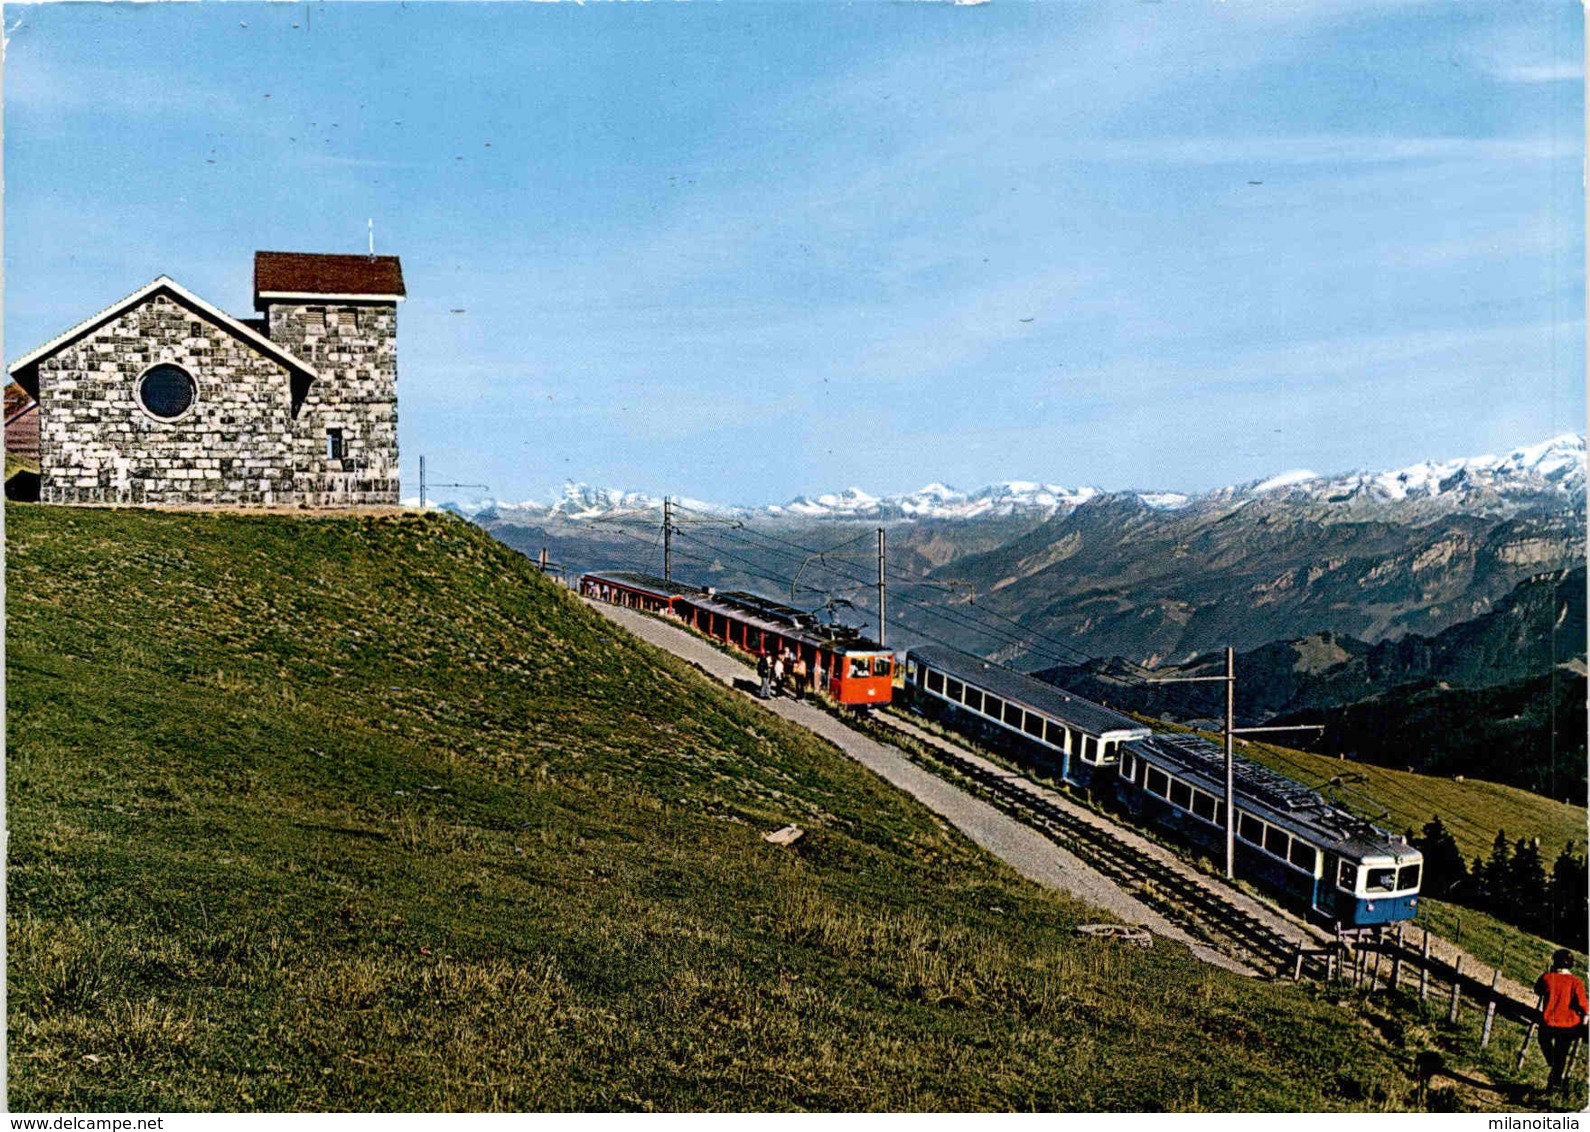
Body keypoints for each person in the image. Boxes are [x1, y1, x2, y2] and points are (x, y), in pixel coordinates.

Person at [1535, 948, 1588, 1096]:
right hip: (1570, 1024)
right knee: (1561, 1056)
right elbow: (1583, 1005)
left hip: (1549, 1022)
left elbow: (1538, 990)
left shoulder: (1547, 978)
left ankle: (1552, 1069)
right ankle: (1554, 1086)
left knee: (1543, 1040)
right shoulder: (1576, 982)